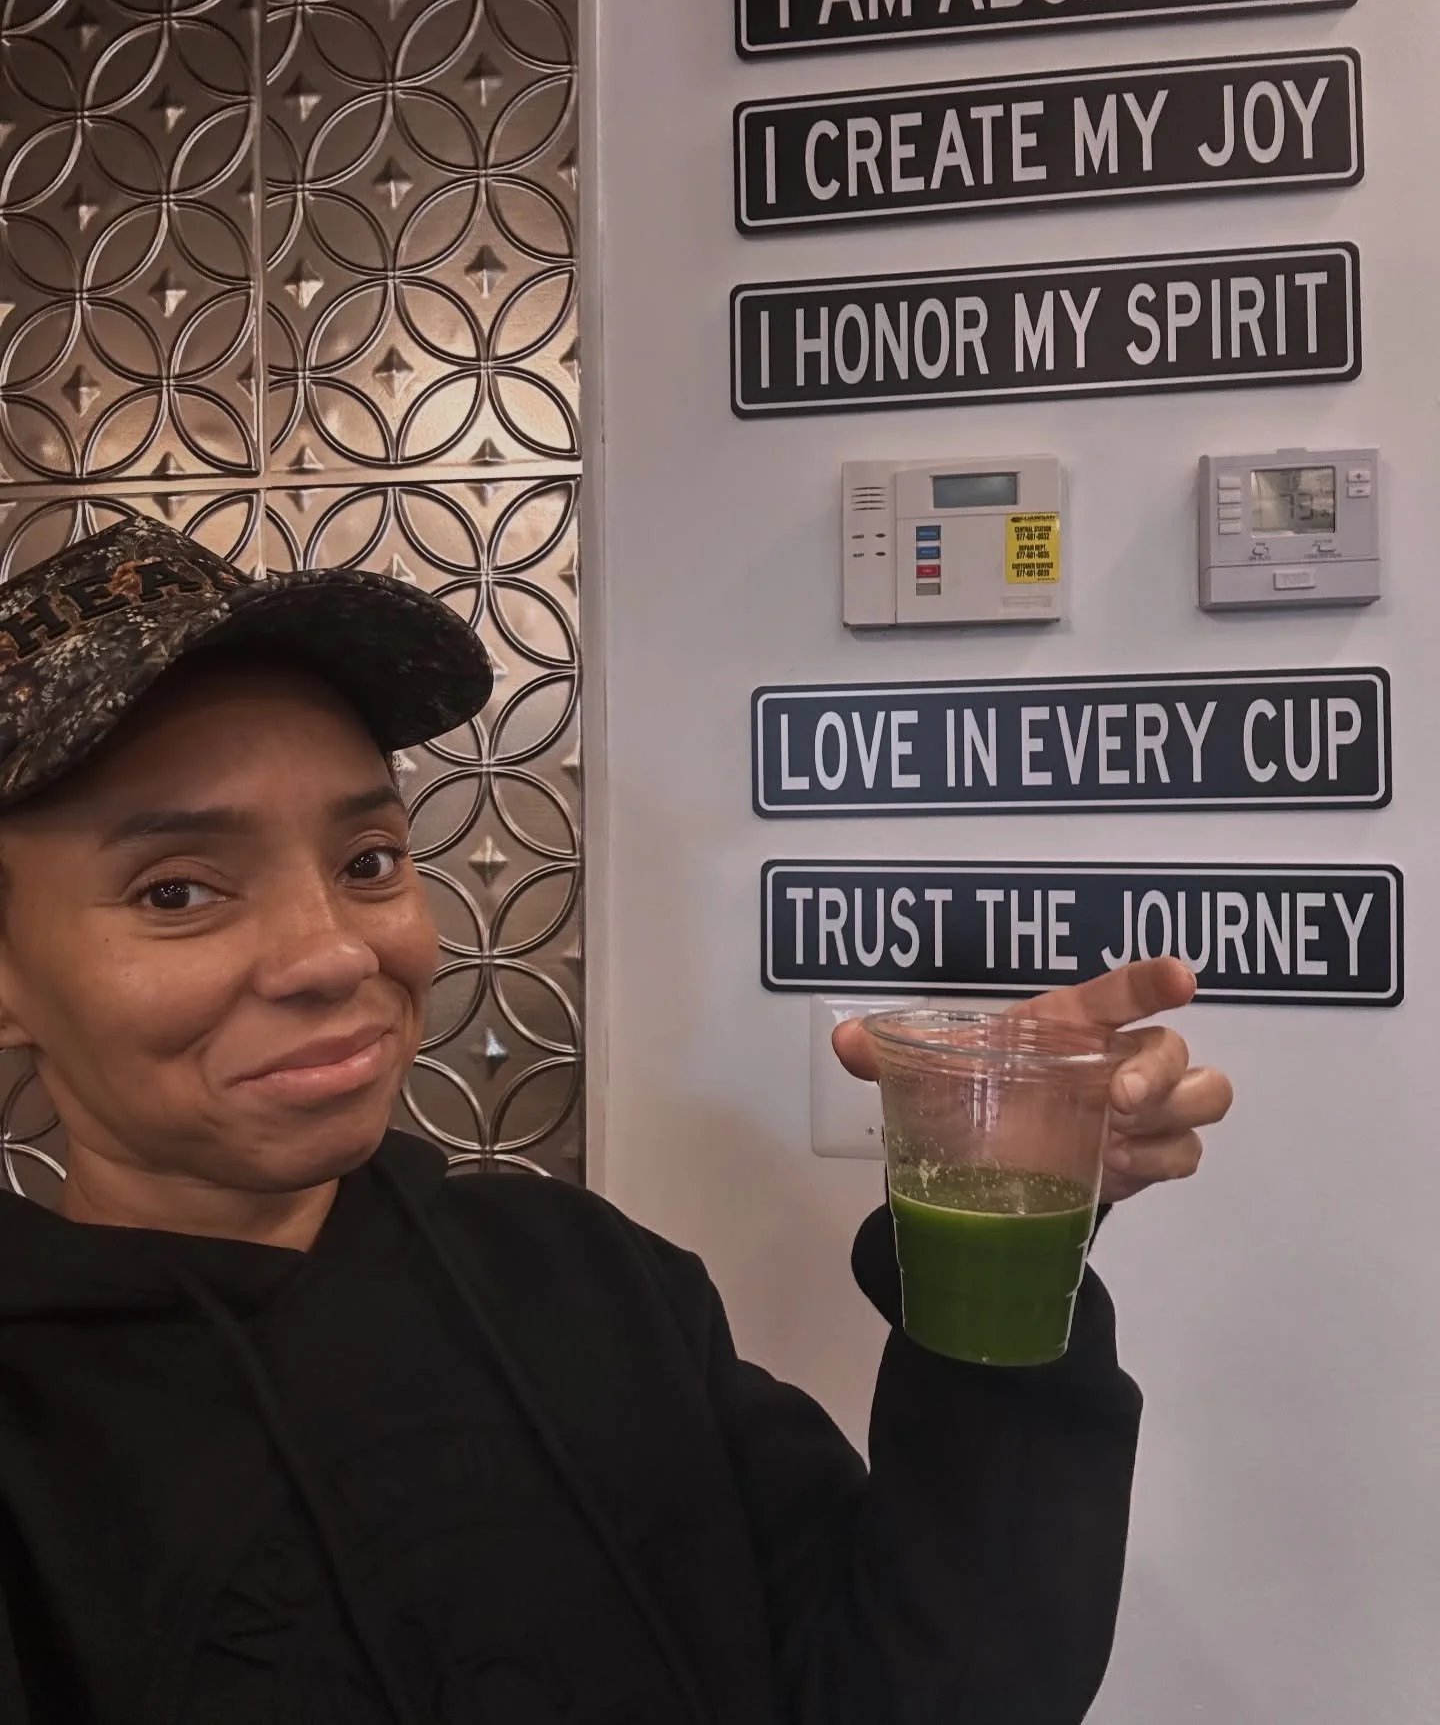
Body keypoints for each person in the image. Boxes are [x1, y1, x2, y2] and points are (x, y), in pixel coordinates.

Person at [0, 519, 1232, 1725]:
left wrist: (994, 1209)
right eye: (177, 890)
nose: (332, 954)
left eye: (368, 860)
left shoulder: (581, 1277)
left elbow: (930, 1686)